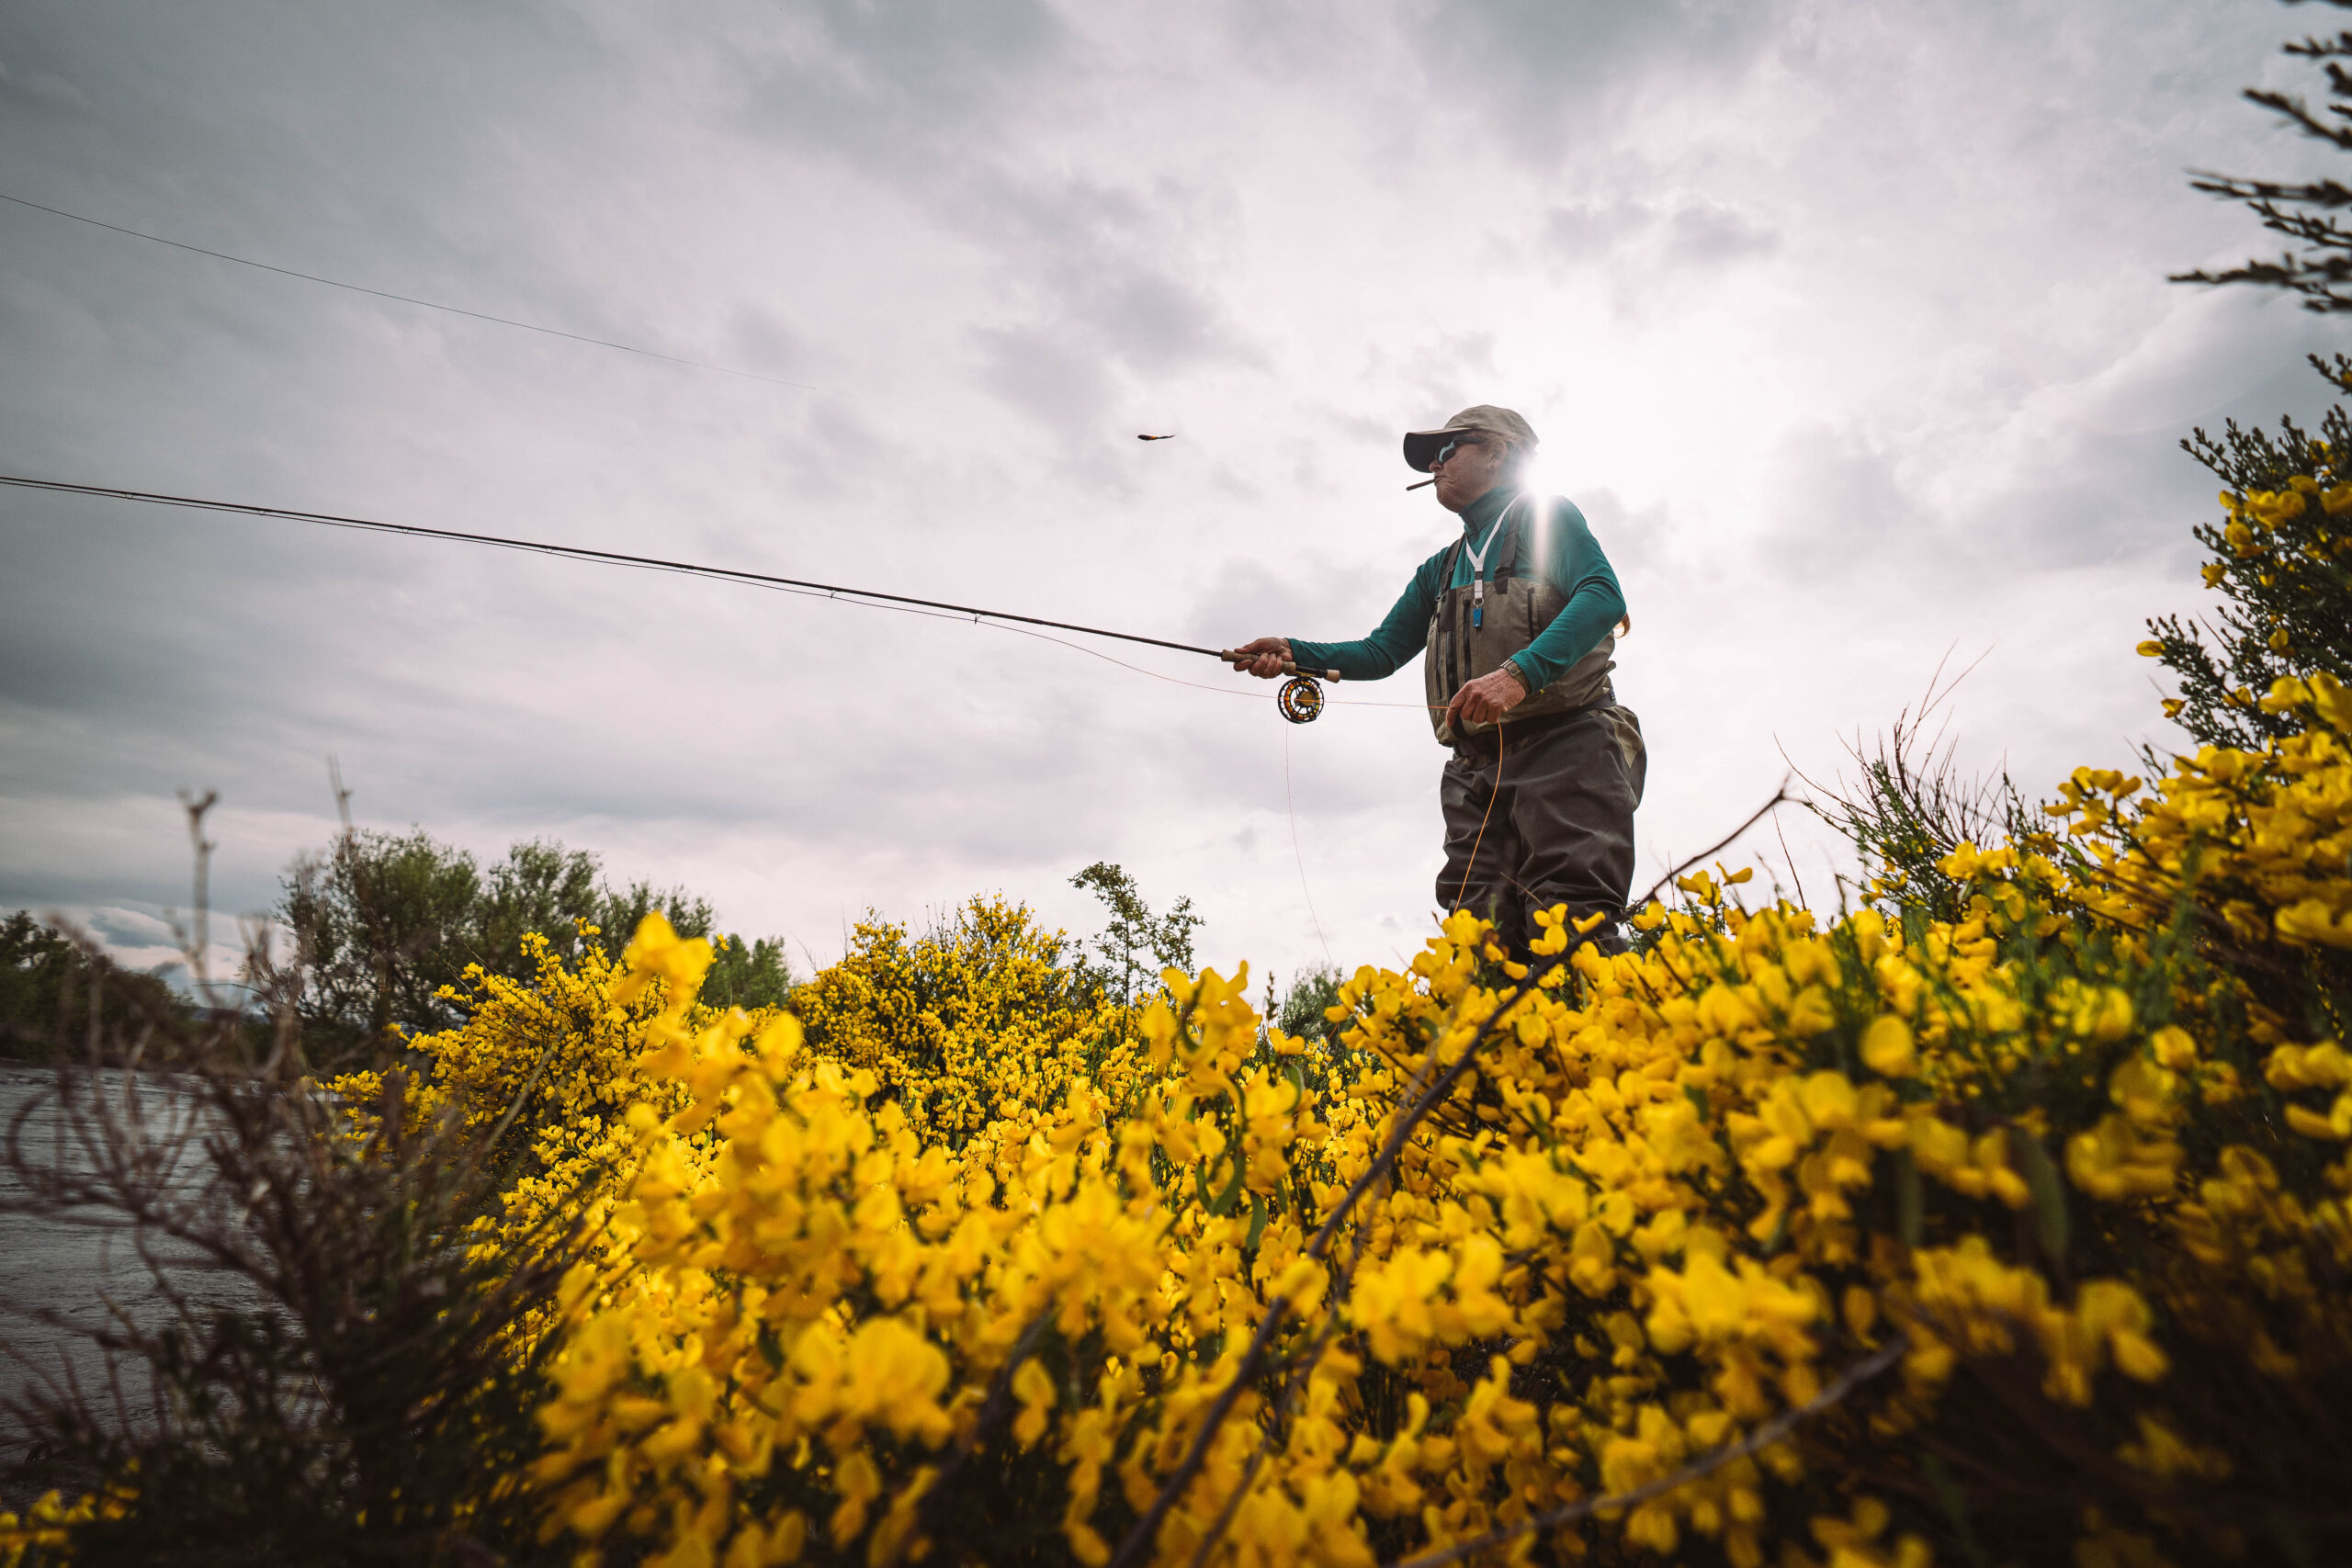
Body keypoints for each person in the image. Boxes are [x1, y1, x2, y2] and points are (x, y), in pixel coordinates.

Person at [1228, 405, 1645, 956]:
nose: (1434, 465)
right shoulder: (1438, 570)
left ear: (1498, 452)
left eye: (1447, 450)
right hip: (1474, 772)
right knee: (1480, 939)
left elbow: (1602, 595)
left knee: (1571, 926)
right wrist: (1294, 652)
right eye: (1430, 459)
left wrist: (1517, 676)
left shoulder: (1548, 518)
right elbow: (1380, 652)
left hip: (1570, 748)